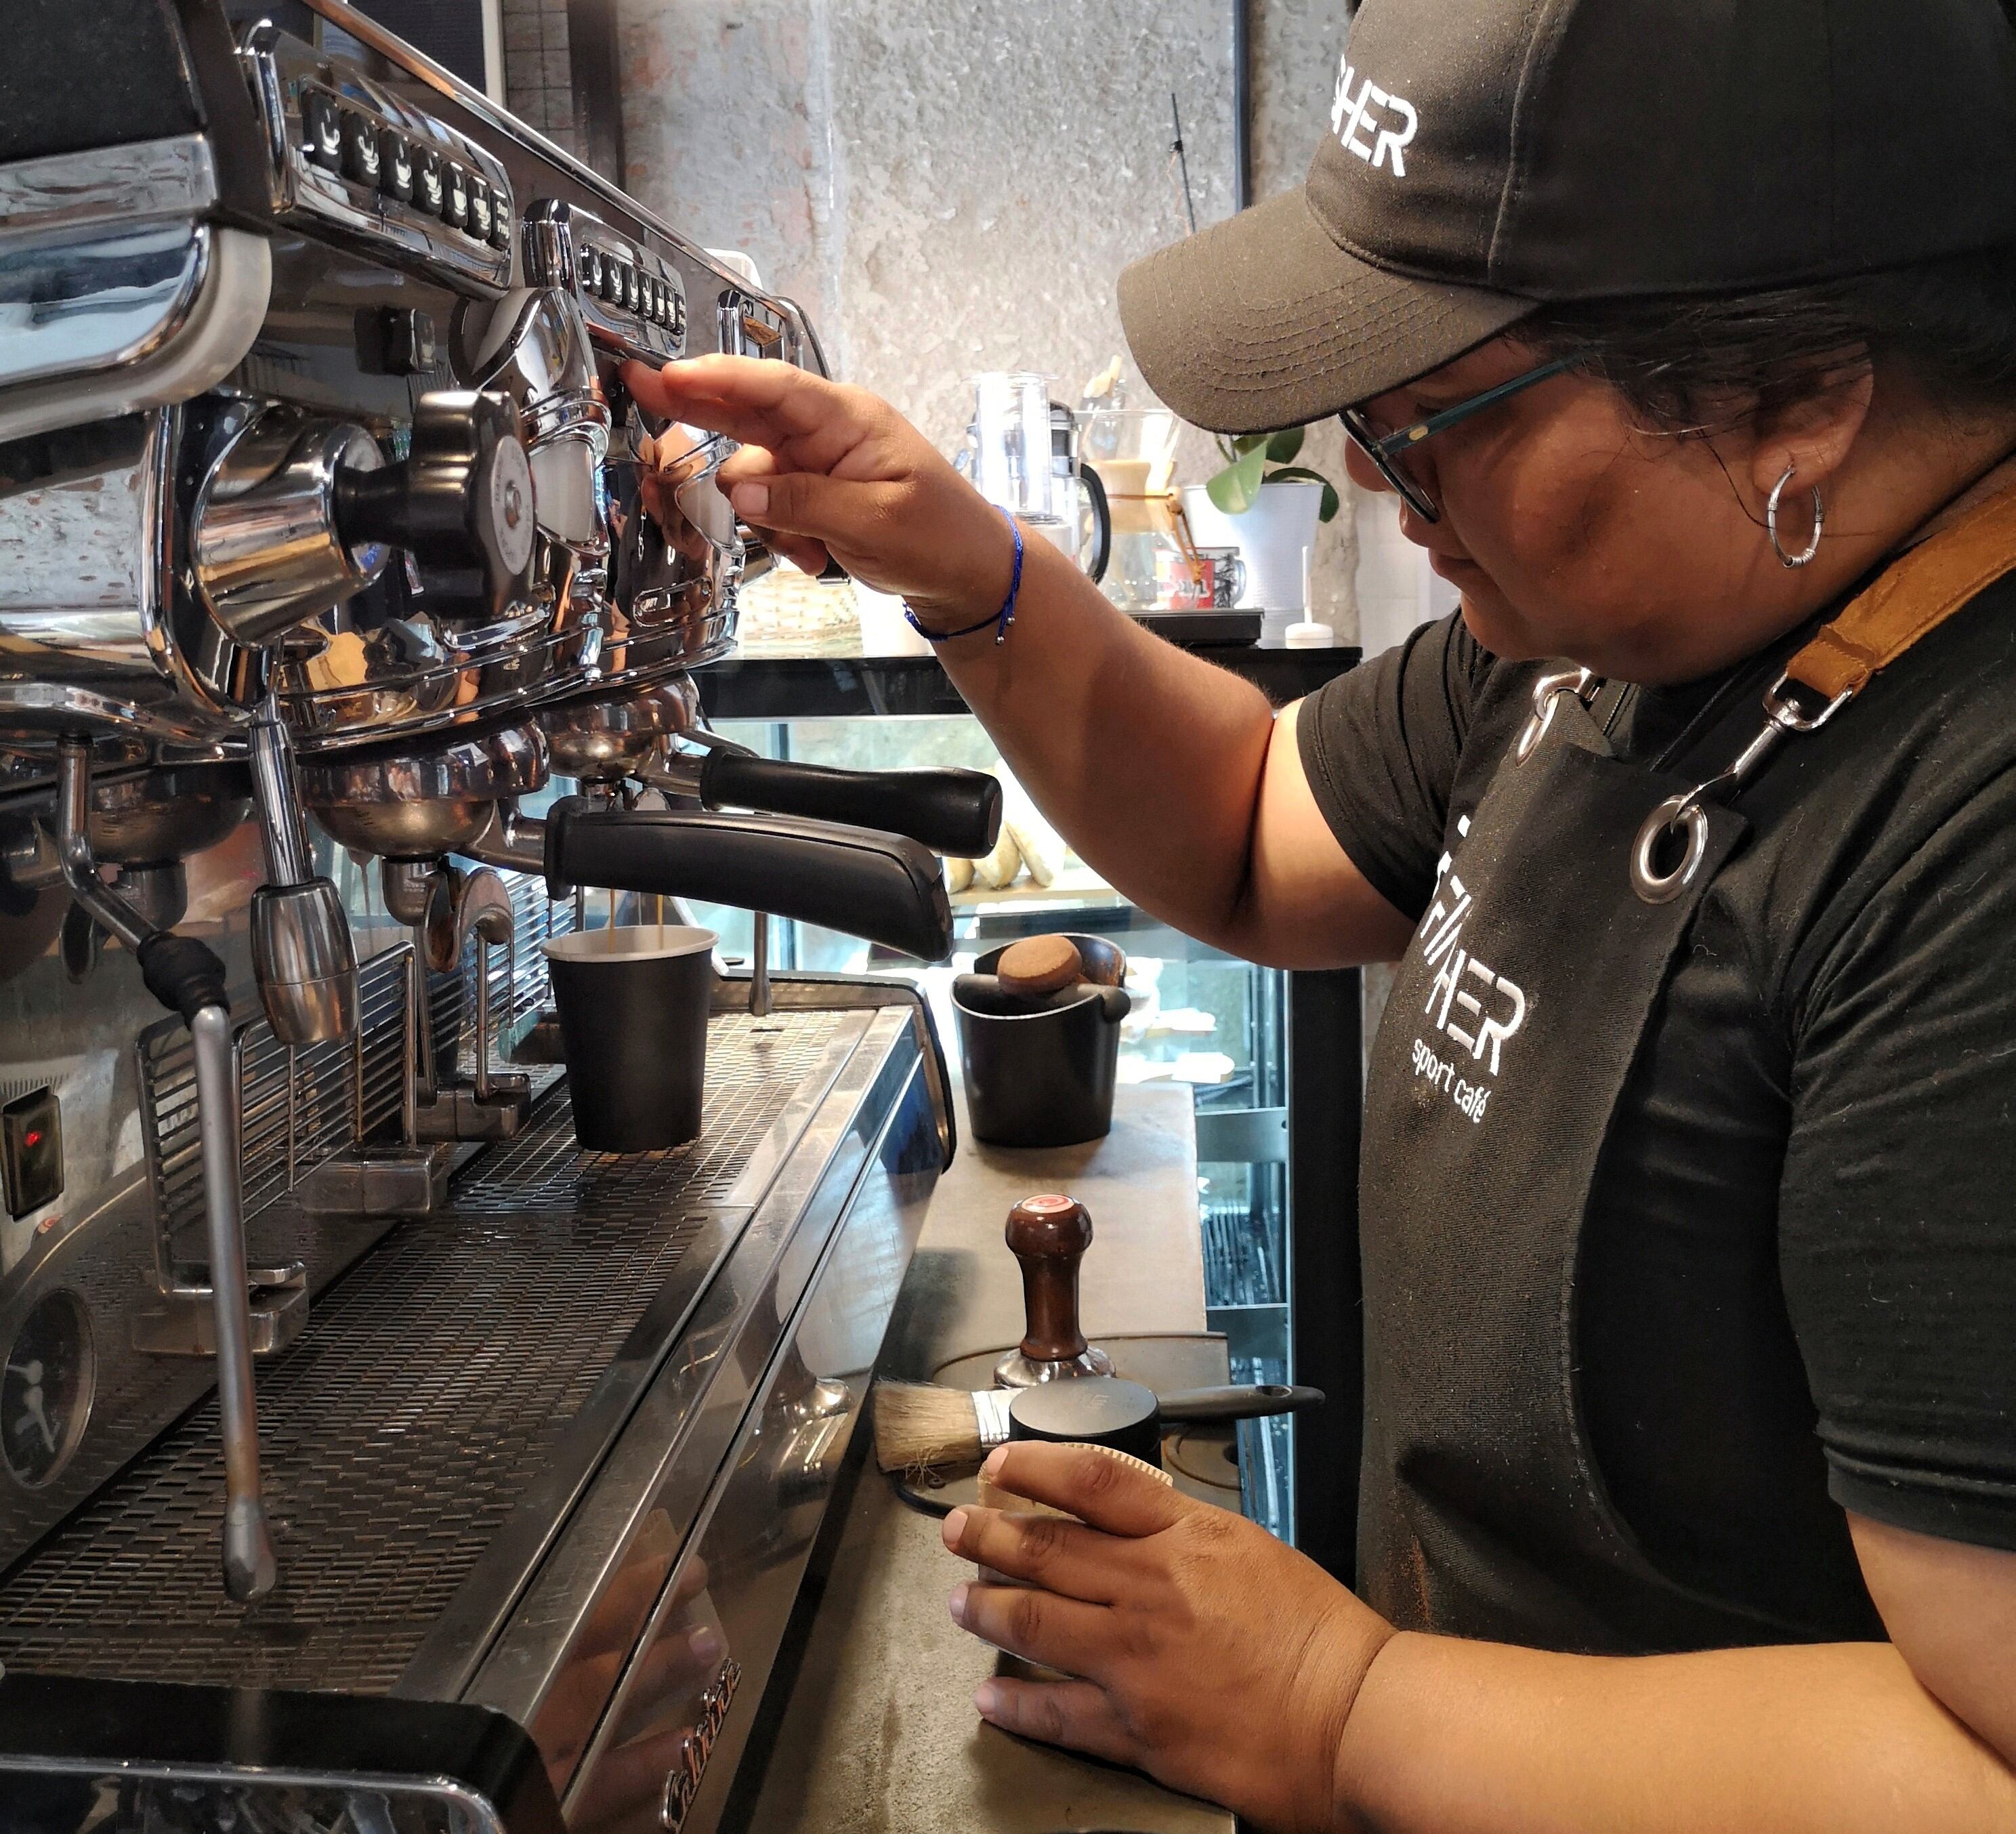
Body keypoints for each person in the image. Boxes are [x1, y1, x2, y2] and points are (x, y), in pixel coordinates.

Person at [624, 0, 2016, 1825]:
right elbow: (1250, 822)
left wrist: (1340, 1701)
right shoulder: (1610, 636)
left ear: (1798, 400)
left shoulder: (1969, 834)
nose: (1367, 473)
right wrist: (963, 565)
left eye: (1430, 418)